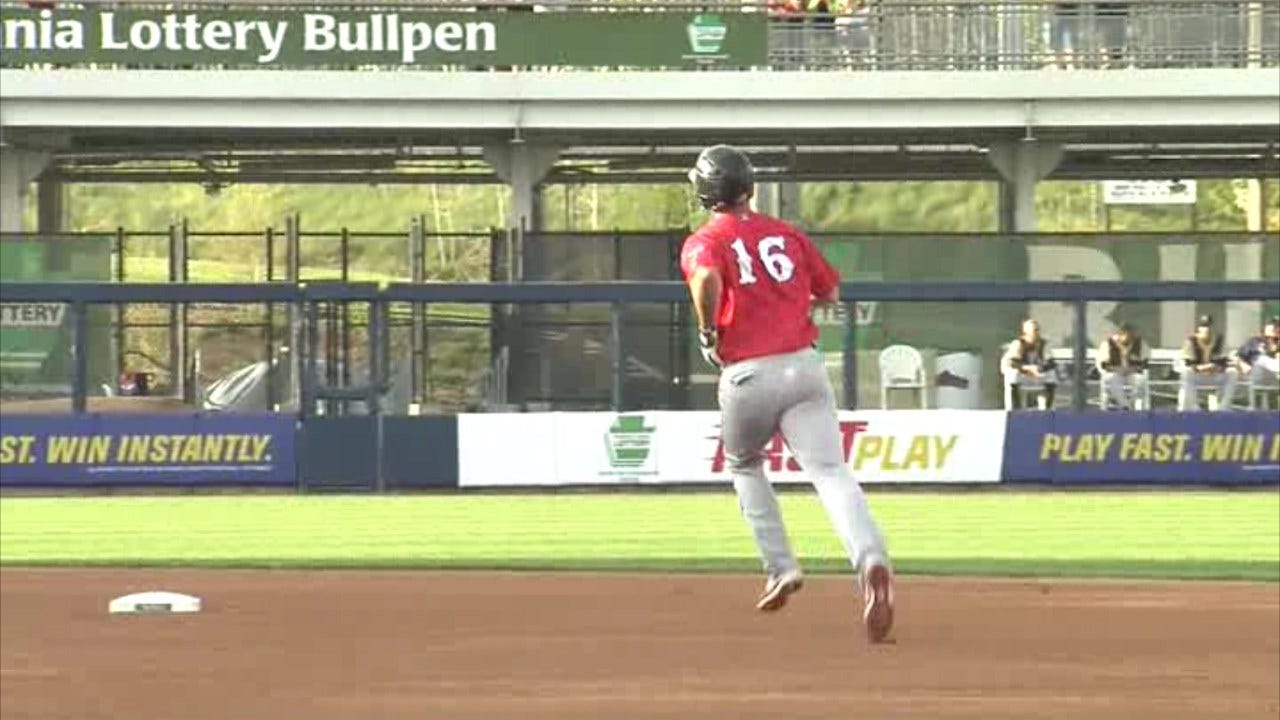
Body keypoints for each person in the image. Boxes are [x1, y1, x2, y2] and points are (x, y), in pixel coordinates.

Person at [680, 144, 894, 644]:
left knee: (744, 463)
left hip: (749, 372)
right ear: (749, 188)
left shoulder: (704, 239)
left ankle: (781, 567)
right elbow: (832, 292)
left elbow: (707, 277)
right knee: (830, 472)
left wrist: (708, 332)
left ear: (705, 192)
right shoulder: (785, 233)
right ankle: (871, 559)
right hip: (805, 365)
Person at [1179, 315, 1237, 411]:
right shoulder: (1191, 341)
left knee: (1233, 372)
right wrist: (1205, 367)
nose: (1206, 330)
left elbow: (1224, 362)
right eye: (1203, 327)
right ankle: (1194, 408)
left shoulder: (1219, 340)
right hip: (1198, 377)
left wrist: (1217, 367)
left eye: (1208, 327)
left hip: (1214, 376)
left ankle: (1223, 407)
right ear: (1198, 330)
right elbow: (1189, 364)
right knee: (1186, 373)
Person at [1002, 319, 1059, 410]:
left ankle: (1047, 410)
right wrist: (1026, 369)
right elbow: (1011, 363)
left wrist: (1039, 368)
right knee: (1012, 375)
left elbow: (1051, 363)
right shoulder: (1018, 344)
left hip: (1037, 375)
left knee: (1051, 375)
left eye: (1037, 330)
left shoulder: (1043, 344)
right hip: (1022, 375)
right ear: (1025, 333)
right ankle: (1014, 409)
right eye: (1034, 331)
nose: (1036, 334)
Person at [1096, 323, 1149, 410]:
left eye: (1130, 334)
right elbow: (1103, 365)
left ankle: (1129, 404)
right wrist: (1117, 369)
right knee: (1113, 381)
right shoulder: (1107, 344)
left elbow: (1145, 364)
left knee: (1140, 381)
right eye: (1124, 334)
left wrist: (1131, 369)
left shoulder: (1141, 344)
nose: (1127, 337)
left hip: (1133, 372)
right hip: (1115, 372)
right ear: (1119, 334)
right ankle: (1125, 406)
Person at [1236, 316, 1280, 404]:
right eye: (1267, 337)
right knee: (1260, 360)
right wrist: (1243, 364)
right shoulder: (1254, 341)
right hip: (1255, 373)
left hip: (1274, 378)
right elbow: (1237, 356)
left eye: (1275, 338)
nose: (1270, 340)